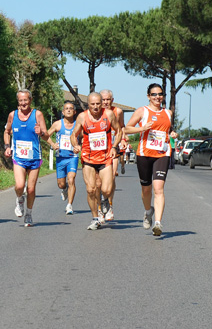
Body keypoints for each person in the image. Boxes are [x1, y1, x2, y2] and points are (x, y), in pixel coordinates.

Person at [125, 83, 177, 236]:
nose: (157, 97)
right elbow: (126, 128)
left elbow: (169, 129)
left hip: (162, 153)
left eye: (160, 94)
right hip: (144, 154)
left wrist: (173, 134)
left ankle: (158, 223)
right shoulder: (142, 111)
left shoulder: (168, 112)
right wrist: (141, 128)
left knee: (158, 189)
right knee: (146, 189)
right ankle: (148, 212)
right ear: (148, 96)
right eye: (154, 94)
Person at [71, 92, 121, 230]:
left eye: (98, 104)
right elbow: (73, 135)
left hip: (105, 157)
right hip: (88, 157)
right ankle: (95, 218)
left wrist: (115, 147)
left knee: (106, 189)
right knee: (91, 189)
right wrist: (75, 145)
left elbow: (119, 131)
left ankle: (105, 200)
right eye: (92, 104)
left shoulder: (109, 114)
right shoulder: (82, 117)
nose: (96, 107)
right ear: (88, 104)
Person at [4, 89, 50, 227]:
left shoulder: (38, 114)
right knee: (19, 185)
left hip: (34, 157)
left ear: (30, 100)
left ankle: (28, 214)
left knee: (30, 189)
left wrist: (40, 132)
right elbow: (7, 132)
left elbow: (46, 135)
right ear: (18, 101)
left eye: (26, 100)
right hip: (19, 156)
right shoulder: (13, 115)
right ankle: (19, 199)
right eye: (20, 100)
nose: (23, 103)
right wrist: (7, 146)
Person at [96, 89, 128, 221]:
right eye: (103, 100)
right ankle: (99, 208)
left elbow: (122, 127)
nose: (105, 102)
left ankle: (109, 204)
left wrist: (124, 139)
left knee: (112, 176)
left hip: (113, 148)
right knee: (98, 183)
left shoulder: (118, 112)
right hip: (98, 150)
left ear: (112, 100)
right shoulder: (95, 113)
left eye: (108, 99)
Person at [46, 101, 79, 215]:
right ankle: (64, 190)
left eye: (71, 108)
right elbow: (45, 135)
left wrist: (79, 146)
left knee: (71, 179)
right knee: (61, 184)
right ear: (63, 112)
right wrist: (53, 144)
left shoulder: (78, 125)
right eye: (66, 108)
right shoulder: (57, 124)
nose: (69, 110)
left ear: (74, 112)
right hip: (60, 158)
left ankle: (69, 205)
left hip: (72, 157)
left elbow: (85, 138)